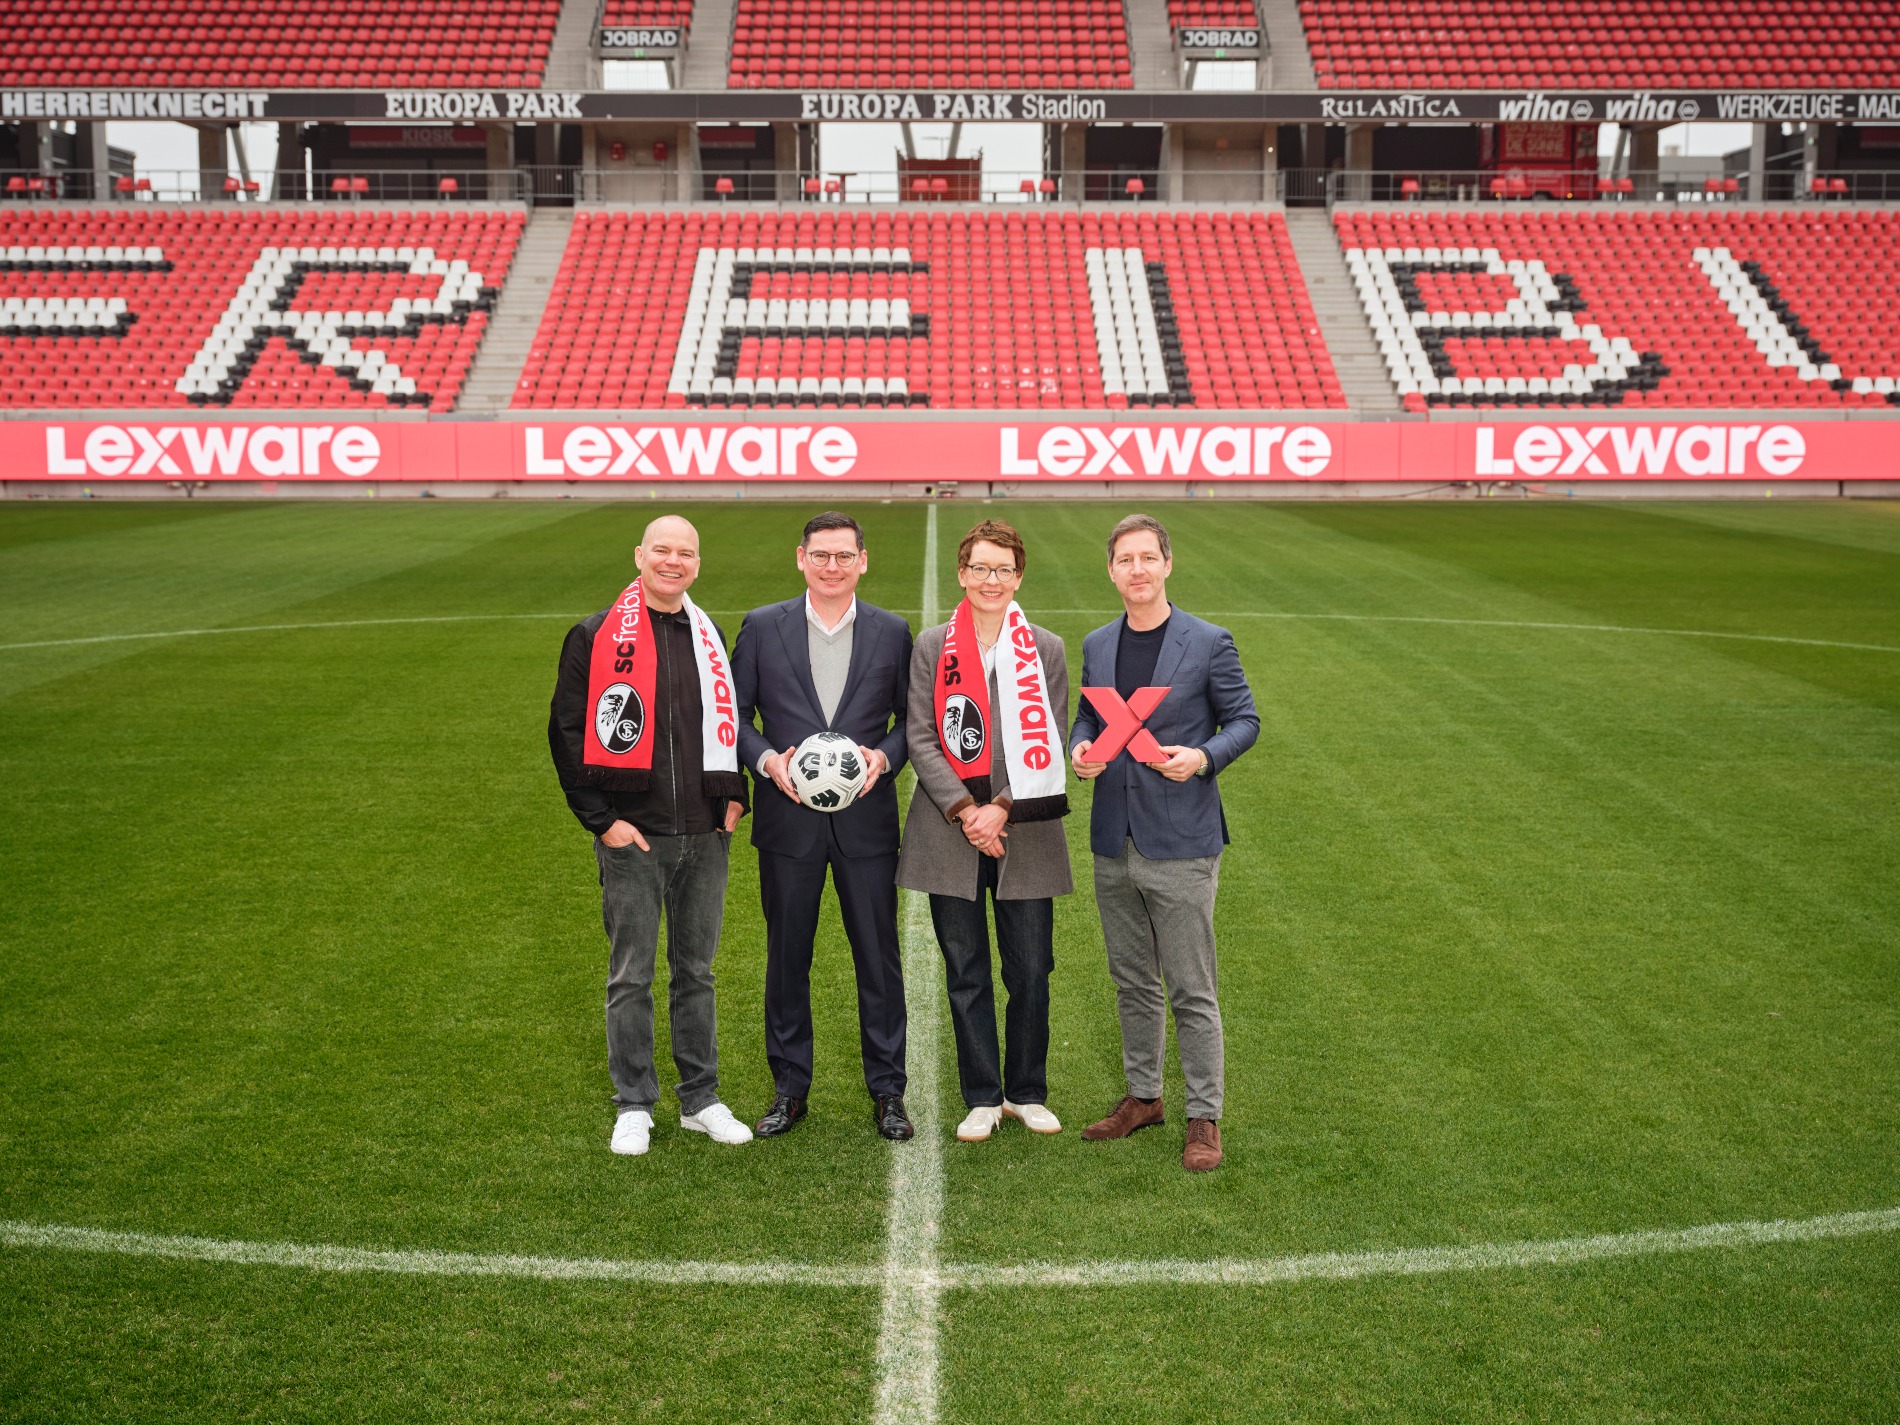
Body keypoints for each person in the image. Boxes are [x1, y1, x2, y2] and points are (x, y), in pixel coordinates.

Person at [548, 515, 753, 1158]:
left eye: (684, 552)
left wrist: (734, 794)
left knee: (696, 973)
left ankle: (702, 1099)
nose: (672, 561)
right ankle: (634, 1103)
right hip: (632, 835)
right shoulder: (594, 634)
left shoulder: (708, 633)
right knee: (630, 976)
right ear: (639, 554)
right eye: (661, 550)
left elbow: (729, 720)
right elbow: (566, 731)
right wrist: (602, 820)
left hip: (704, 831)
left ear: (698, 562)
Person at [1068, 514, 1259, 1173]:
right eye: (1126, 559)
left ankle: (1203, 1115)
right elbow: (1090, 715)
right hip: (1112, 838)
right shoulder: (1098, 642)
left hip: (1181, 838)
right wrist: (1079, 749)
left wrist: (1203, 756)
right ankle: (1143, 1096)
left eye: (1149, 557)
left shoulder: (1207, 641)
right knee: (1131, 980)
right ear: (1112, 569)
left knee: (1190, 985)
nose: (1138, 569)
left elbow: (1245, 719)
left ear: (1167, 564)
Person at [731, 511, 915, 1141]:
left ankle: (888, 1091)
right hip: (789, 823)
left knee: (879, 959)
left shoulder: (893, 631)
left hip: (866, 824)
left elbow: (910, 723)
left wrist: (884, 758)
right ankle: (788, 1089)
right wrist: (766, 759)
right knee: (788, 958)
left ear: (863, 561)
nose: (832, 567)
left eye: (844, 556)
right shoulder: (761, 627)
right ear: (800, 558)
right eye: (821, 555)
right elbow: (738, 717)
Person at [897, 519, 1073, 1143]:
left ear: (1018, 576)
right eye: (980, 568)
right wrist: (965, 810)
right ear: (963, 574)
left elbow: (1050, 735)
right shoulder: (931, 645)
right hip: (949, 830)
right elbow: (919, 733)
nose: (990, 580)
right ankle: (982, 1094)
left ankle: (1026, 1090)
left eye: (1003, 569)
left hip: (1024, 827)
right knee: (965, 966)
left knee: (1030, 968)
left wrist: (999, 807)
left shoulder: (1045, 648)